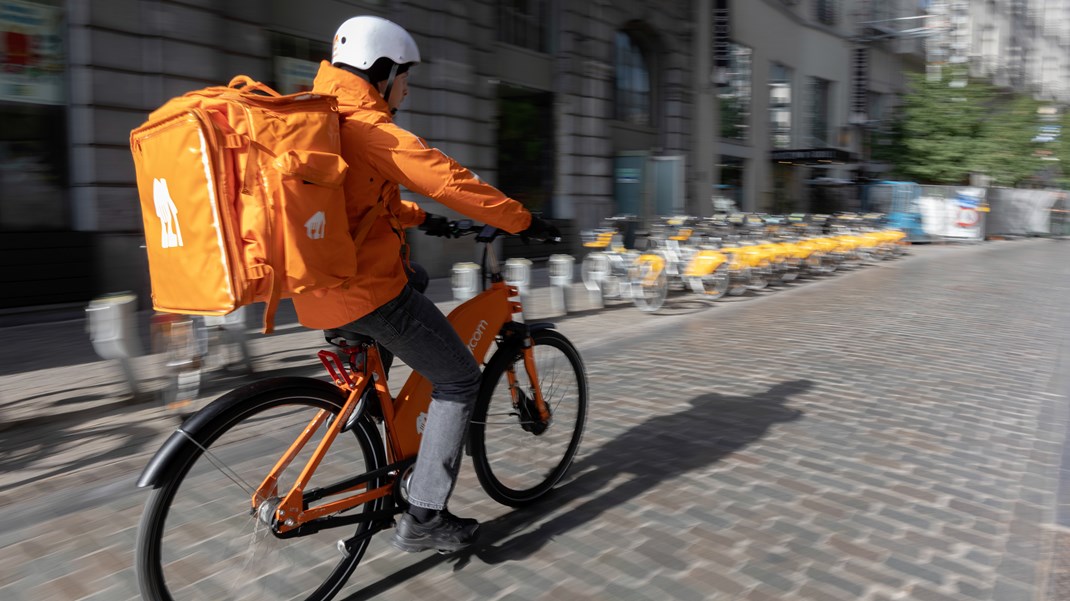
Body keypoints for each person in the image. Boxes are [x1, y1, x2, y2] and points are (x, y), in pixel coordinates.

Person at [292, 15, 559, 553]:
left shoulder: (324, 118)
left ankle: (377, 447)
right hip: (360, 291)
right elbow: (447, 178)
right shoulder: (369, 127)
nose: (408, 89)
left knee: (413, 274)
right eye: (405, 77)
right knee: (459, 378)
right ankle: (424, 518)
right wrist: (523, 220)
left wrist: (426, 220)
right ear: (383, 70)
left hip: (316, 288)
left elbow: (370, 203)